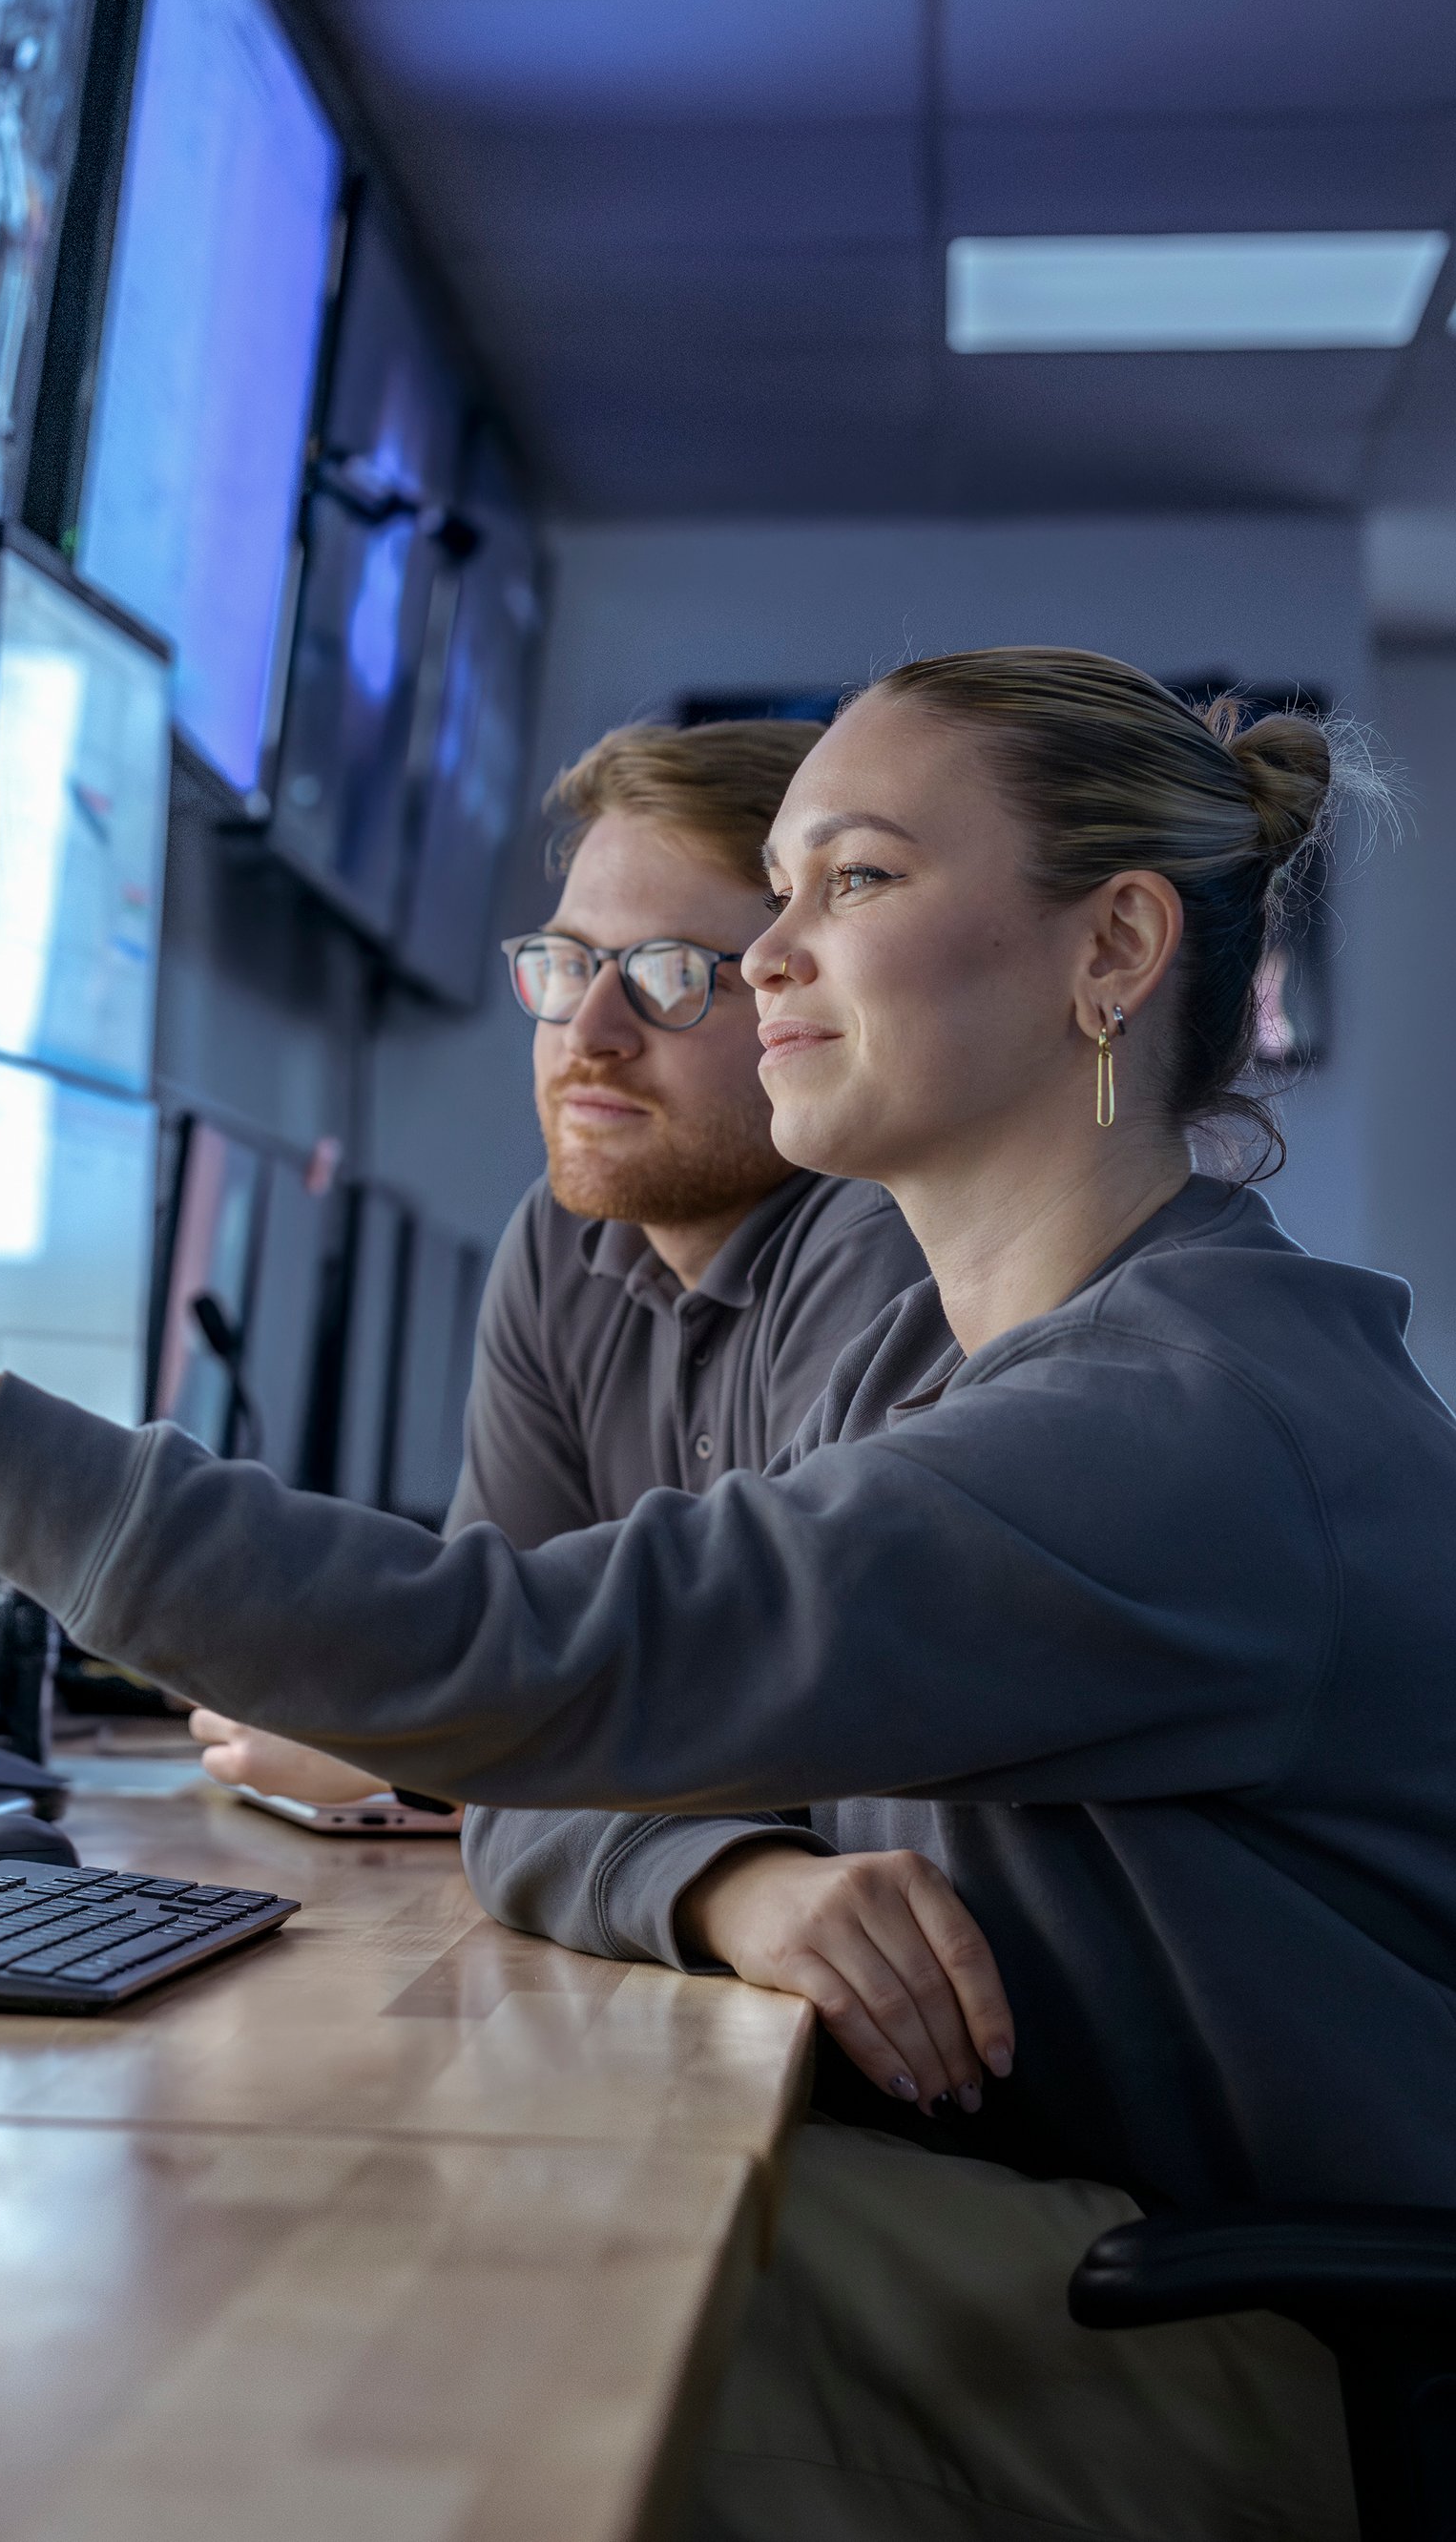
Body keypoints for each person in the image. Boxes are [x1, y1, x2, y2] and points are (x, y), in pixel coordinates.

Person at [0, 646, 1456, 2541]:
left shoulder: (1171, 1433)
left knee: (481, 2333)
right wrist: (675, 1847)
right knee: (453, 2255)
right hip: (1371, 2314)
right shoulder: (1078, 1380)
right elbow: (550, 1697)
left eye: (845, 881)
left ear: (1111, 951)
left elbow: (507, 1662)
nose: (761, 954)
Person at [191, 719, 928, 1851]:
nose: (589, 1032)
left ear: (803, 997)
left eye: (671, 975)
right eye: (569, 962)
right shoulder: (563, 1238)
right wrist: (435, 1723)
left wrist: (412, 1744)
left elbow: (790, 1744)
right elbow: (498, 1663)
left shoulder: (878, 1235)